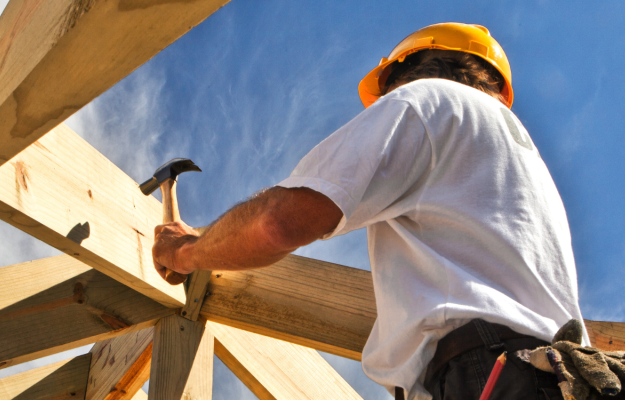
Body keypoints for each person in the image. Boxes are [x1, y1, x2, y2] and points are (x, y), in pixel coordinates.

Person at [153, 23, 586, 400]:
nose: (384, 101)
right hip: (557, 377)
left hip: (485, 373)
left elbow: (277, 222)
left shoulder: (427, 100)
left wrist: (186, 250)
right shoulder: (519, 161)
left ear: (405, 70)